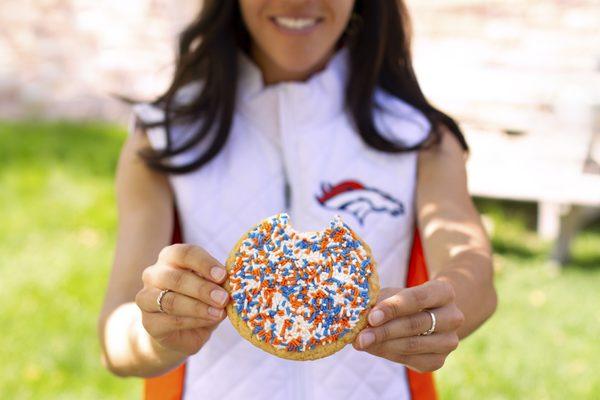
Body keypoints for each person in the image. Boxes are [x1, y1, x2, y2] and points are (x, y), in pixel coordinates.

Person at [98, 1, 497, 399]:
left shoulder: (421, 139)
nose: (297, 1)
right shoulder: (163, 140)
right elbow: (115, 340)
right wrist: (159, 334)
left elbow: (473, 273)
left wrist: (440, 311)